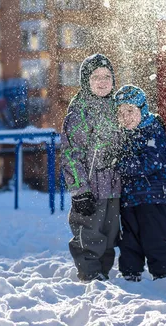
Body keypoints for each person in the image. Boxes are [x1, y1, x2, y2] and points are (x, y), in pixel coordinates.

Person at [60, 53, 122, 282]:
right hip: (90, 188)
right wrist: (79, 190)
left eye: (107, 76)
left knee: (110, 232)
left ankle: (103, 271)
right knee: (89, 231)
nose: (102, 81)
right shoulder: (79, 113)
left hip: (114, 186)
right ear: (86, 81)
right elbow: (70, 155)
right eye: (96, 77)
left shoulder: (118, 107)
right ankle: (89, 272)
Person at [114, 85, 166, 282]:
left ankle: (163, 274)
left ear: (143, 109)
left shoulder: (153, 131)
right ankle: (130, 273)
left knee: (154, 238)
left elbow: (150, 162)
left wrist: (120, 164)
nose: (126, 117)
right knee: (129, 240)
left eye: (130, 111)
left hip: (154, 198)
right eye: (121, 113)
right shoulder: (123, 135)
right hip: (130, 200)